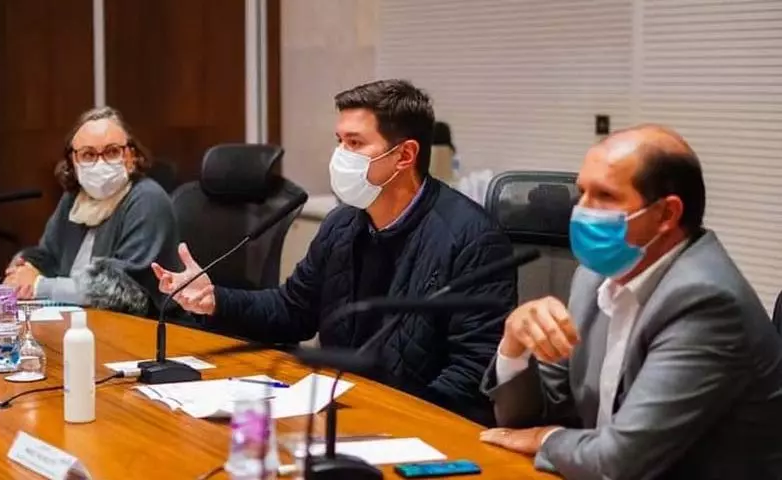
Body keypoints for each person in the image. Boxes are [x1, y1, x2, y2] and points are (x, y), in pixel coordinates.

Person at [153, 79, 516, 425]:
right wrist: (215, 300)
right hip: (336, 411)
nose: (341, 156)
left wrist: (385, 418)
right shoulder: (342, 224)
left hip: (416, 427)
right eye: (339, 141)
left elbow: (472, 373)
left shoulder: (472, 239)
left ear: (405, 155)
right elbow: (293, 311)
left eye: (355, 143)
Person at [479, 124, 782, 479]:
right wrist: (514, 350)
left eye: (604, 196)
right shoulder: (593, 277)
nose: (581, 210)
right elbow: (528, 419)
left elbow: (620, 463)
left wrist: (545, 439)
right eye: (582, 192)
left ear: (667, 214)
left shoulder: (706, 302)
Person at [4, 106, 180, 317]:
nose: (100, 163)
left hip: (141, 326)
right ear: (73, 161)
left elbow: (120, 290)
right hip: (74, 319)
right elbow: (48, 256)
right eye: (88, 154)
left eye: (112, 152)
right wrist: (26, 270)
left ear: (131, 157)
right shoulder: (74, 198)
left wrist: (39, 285)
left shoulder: (148, 199)